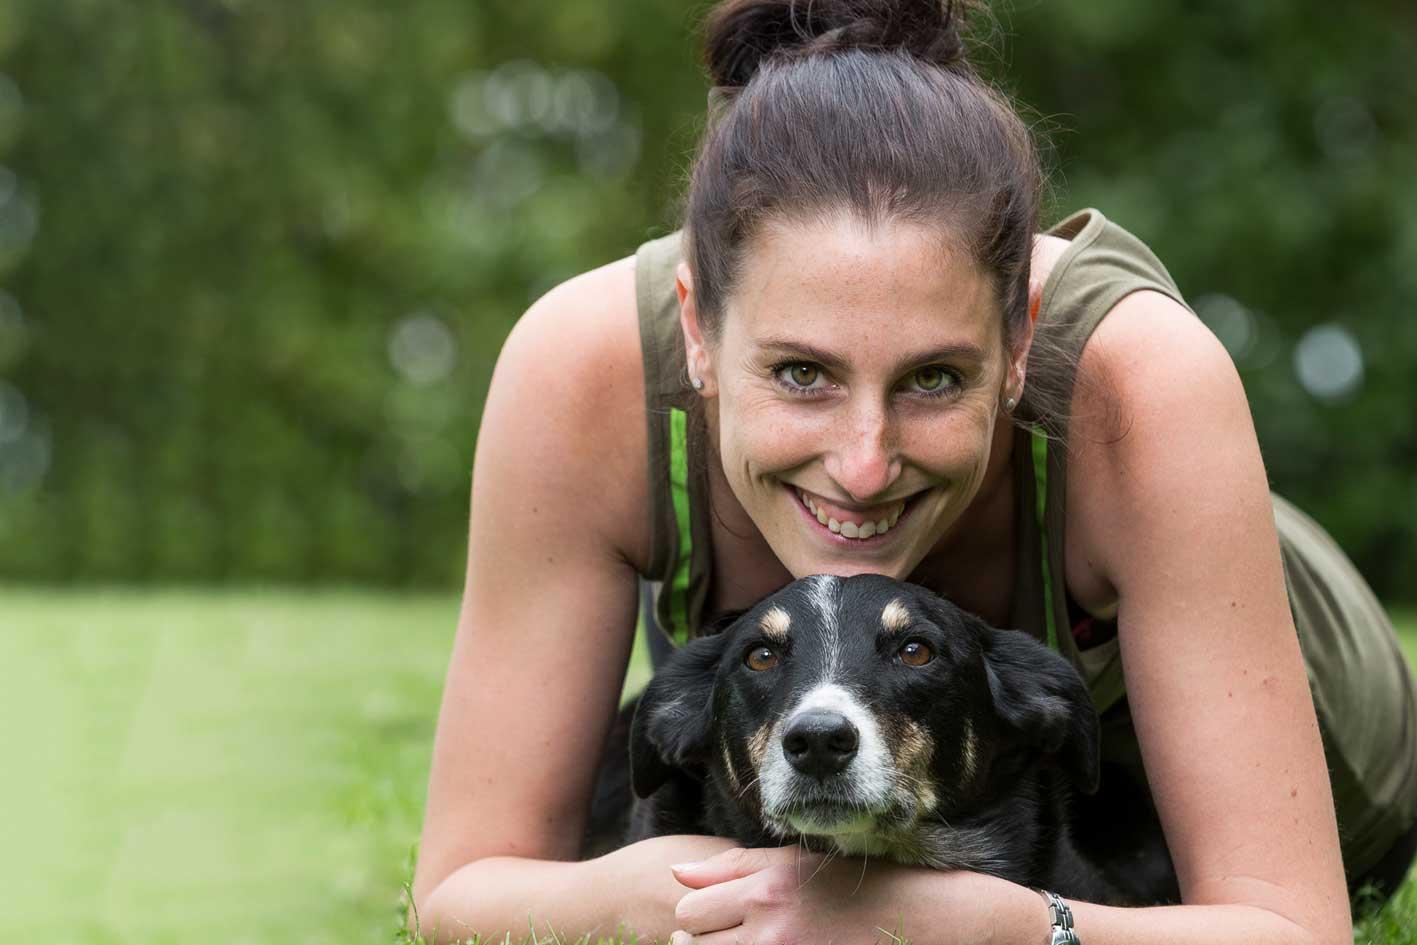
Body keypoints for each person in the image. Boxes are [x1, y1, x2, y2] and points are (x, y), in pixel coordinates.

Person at [410, 1, 1417, 942]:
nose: (861, 465)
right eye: (801, 373)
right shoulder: (581, 374)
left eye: (933, 378)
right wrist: (680, 893)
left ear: (1019, 339)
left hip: (1260, 651)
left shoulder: (1140, 386)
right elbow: (462, 887)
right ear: (697, 331)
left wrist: (1006, 926)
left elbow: (1288, 929)